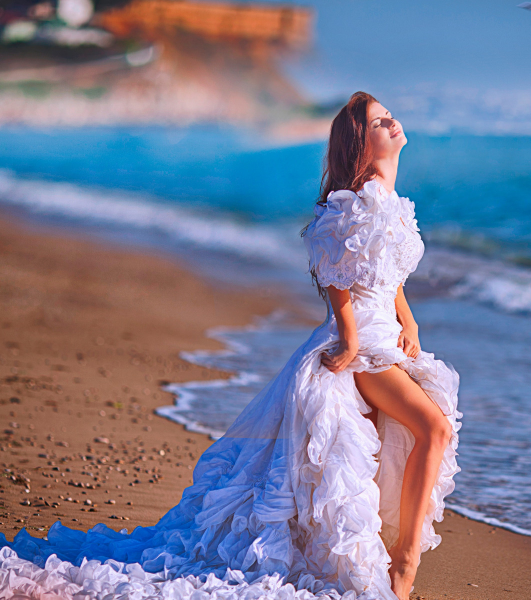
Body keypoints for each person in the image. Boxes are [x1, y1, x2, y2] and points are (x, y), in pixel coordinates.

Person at [0, 91, 461, 600]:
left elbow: (384, 270)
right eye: (380, 121)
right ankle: (404, 567)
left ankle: (375, 558)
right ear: (360, 143)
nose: (392, 124)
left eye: (390, 117)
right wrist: (349, 336)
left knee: (374, 460)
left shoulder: (392, 201)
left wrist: (409, 319)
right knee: (433, 428)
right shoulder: (350, 203)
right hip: (360, 351)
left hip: (389, 341)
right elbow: (333, 266)